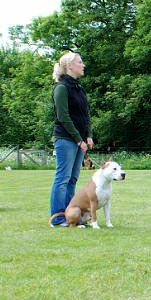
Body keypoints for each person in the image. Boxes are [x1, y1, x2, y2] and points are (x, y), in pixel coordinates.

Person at [49, 51, 93, 227]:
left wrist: (88, 135)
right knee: (63, 178)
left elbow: (85, 115)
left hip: (80, 140)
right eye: (80, 62)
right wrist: (77, 139)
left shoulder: (79, 89)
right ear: (69, 66)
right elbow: (63, 117)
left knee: (73, 178)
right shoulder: (61, 88)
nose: (83, 65)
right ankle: (58, 218)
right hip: (66, 139)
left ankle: (70, 216)